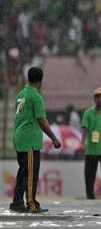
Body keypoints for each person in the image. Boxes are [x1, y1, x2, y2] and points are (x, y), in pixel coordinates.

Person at [9, 67, 61, 213]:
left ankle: (17, 202)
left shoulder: (21, 94)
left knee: (23, 171)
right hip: (29, 140)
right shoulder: (35, 96)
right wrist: (54, 138)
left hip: (19, 137)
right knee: (31, 173)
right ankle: (31, 204)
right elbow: (42, 120)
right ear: (41, 80)